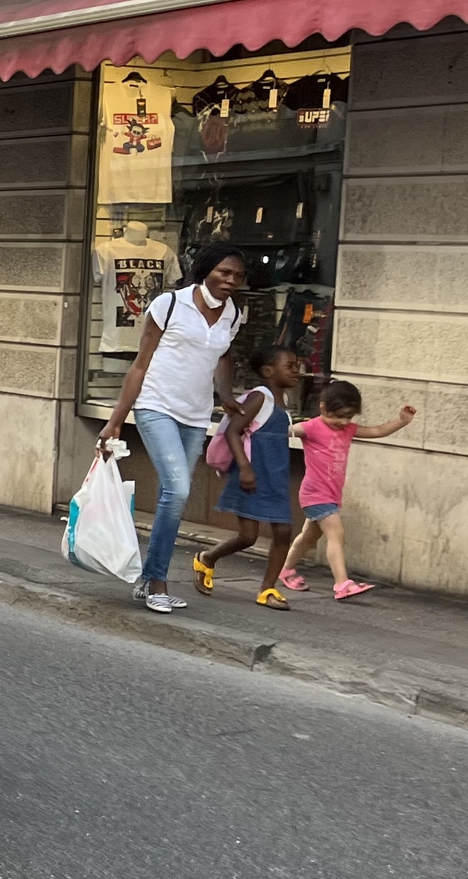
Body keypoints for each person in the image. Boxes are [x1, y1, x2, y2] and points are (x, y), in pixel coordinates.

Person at [97, 243, 247, 614]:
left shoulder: (233, 314)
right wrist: (115, 421)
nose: (230, 281)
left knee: (173, 493)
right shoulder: (169, 304)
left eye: (237, 276)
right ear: (206, 271)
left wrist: (225, 396)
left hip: (196, 415)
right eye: (224, 272)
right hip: (155, 405)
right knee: (178, 490)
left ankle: (148, 578)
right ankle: (156, 581)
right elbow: (139, 364)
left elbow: (224, 354)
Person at [192, 345, 305, 609]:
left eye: (297, 365)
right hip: (252, 476)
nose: (296, 371)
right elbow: (233, 431)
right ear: (268, 371)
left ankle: (267, 589)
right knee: (248, 536)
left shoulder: (283, 402)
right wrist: (244, 468)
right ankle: (207, 558)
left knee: (283, 531)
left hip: (275, 476)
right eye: (289, 366)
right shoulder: (260, 397)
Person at [282, 380, 416, 599]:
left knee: (308, 537)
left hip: (332, 495)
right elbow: (284, 431)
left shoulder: (348, 429)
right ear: (323, 407)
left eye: (349, 417)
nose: (343, 422)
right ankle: (342, 584)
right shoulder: (312, 426)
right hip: (315, 494)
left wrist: (401, 421)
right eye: (338, 416)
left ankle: (286, 570)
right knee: (336, 533)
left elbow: (377, 430)